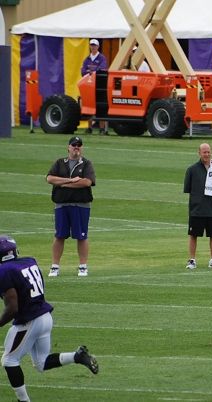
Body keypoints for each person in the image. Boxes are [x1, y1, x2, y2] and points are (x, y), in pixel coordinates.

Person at [0, 235, 99, 402]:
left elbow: (12, 307)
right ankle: (77, 356)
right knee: (41, 363)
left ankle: (23, 401)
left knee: (9, 360)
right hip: (45, 317)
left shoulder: (5, 271)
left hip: (29, 322)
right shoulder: (29, 261)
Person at [46, 136, 96, 277]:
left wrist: (62, 184)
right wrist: (70, 180)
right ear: (68, 147)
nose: (76, 147)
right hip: (61, 204)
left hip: (81, 205)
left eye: (79, 145)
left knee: (81, 236)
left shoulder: (86, 164)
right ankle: (55, 266)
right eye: (74, 145)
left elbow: (86, 182)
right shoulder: (60, 163)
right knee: (59, 235)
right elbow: (49, 178)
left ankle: (82, 266)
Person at [184, 143, 212, 270]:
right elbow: (188, 189)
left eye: (208, 152)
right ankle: (192, 260)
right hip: (197, 209)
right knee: (193, 235)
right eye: (204, 152)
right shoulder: (192, 170)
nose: (206, 154)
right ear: (199, 153)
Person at [81, 39, 108, 135]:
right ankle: (89, 128)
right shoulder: (87, 59)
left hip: (99, 86)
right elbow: (83, 71)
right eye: (91, 45)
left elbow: (102, 69)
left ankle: (101, 128)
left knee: (101, 107)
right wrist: (90, 72)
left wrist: (91, 72)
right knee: (89, 106)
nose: (93, 47)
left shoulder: (101, 58)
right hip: (89, 86)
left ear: (98, 47)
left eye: (94, 45)